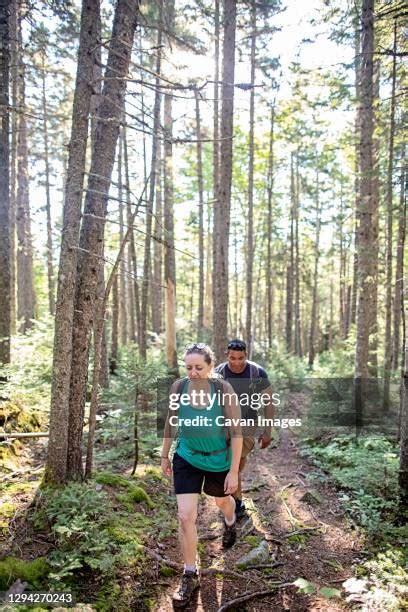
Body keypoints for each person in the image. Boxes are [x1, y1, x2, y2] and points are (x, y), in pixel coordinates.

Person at [160, 343, 243, 609]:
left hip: (219, 458)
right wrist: (164, 454)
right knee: (185, 516)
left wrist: (233, 472)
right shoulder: (179, 388)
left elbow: (237, 432)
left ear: (210, 366)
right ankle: (189, 573)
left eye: (199, 367)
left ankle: (230, 520)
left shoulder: (223, 391)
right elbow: (171, 420)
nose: (193, 372)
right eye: (188, 367)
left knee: (222, 501)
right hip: (187, 456)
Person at [215, 339, 275, 520]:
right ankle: (236, 502)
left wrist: (268, 431)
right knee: (230, 462)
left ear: (245, 355)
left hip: (248, 424)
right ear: (227, 355)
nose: (236, 362)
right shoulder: (218, 373)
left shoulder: (257, 372)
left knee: (237, 462)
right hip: (223, 424)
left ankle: (234, 497)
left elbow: (269, 402)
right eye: (232, 358)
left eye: (240, 358)